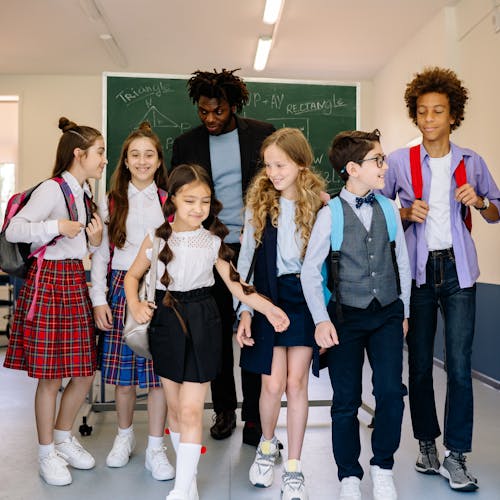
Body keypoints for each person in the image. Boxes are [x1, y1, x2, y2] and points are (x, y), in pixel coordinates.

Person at [124, 163, 289, 500]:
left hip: (203, 322)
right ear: (173, 200)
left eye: (204, 201)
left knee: (190, 410)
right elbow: (131, 277)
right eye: (189, 201)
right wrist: (134, 304)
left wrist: (269, 308)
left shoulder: (212, 242)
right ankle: (190, 479)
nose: (198, 209)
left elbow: (238, 286)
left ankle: (181, 489)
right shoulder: (155, 238)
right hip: (166, 322)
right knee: (173, 409)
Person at [381, 67, 500, 492]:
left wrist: (482, 200)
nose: (430, 119)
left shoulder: (471, 162)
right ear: (416, 116)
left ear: (453, 115)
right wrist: (403, 212)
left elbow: (496, 211)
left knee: (459, 365)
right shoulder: (399, 161)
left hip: (459, 273)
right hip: (417, 273)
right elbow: (375, 212)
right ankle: (426, 444)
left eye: (439, 111)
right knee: (419, 365)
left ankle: (457, 455)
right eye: (423, 112)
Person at [301, 130, 411, 500]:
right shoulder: (329, 214)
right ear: (352, 169)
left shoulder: (388, 208)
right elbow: (309, 272)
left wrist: (405, 310)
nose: (385, 166)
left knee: (391, 393)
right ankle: (349, 473)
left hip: (388, 314)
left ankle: (383, 467)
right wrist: (321, 319)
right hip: (345, 317)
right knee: (346, 400)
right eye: (377, 160)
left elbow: (401, 263)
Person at [171, 68, 276, 445]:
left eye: (218, 111)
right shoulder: (186, 144)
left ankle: (252, 416)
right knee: (213, 333)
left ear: (233, 105)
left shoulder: (263, 135)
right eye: (203, 111)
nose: (211, 119)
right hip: (208, 248)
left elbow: (276, 186)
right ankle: (225, 410)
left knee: (252, 330)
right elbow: (179, 196)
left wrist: (262, 222)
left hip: (255, 246)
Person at [3, 117, 105, 486]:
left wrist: (91, 243)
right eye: (100, 152)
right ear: (79, 154)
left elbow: (82, 245)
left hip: (75, 279)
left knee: (83, 370)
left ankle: (63, 437)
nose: (104, 160)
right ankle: (47, 451)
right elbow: (14, 229)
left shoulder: (85, 194)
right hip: (48, 282)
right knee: (50, 376)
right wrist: (55, 227)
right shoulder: (52, 189)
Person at [235, 128, 325, 499]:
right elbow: (245, 261)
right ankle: (267, 446)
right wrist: (245, 308)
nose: (273, 172)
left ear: (301, 164)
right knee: (272, 383)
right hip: (267, 295)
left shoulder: (321, 205)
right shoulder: (259, 205)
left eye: (281, 164)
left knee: (296, 383)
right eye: (269, 165)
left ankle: (294, 468)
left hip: (303, 297)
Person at [90, 122, 175, 480]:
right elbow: (99, 255)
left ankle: (156, 446)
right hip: (120, 288)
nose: (142, 161)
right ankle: (124, 437)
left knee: (157, 376)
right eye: (135, 155)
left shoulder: (169, 201)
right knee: (124, 376)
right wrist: (98, 299)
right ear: (125, 161)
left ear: (159, 162)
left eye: (149, 155)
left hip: (160, 292)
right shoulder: (111, 202)